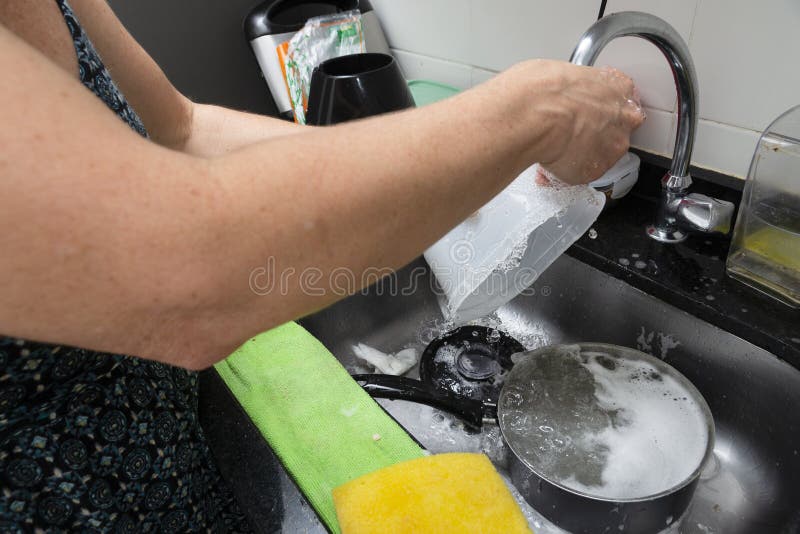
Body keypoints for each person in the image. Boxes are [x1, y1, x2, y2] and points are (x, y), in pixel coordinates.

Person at [0, 0, 644, 531]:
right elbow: (188, 287)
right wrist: (536, 109)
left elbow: (183, 128)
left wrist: (430, 182)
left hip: (173, 454)